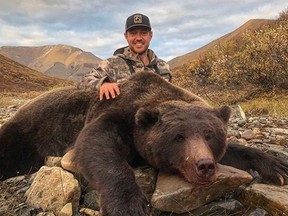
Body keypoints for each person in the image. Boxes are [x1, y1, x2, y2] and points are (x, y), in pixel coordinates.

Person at [78, 13, 172, 100]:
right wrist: (103, 84)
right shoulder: (112, 64)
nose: (138, 38)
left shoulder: (163, 67)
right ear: (126, 36)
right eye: (133, 33)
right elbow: (82, 81)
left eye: (143, 33)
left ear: (150, 35)